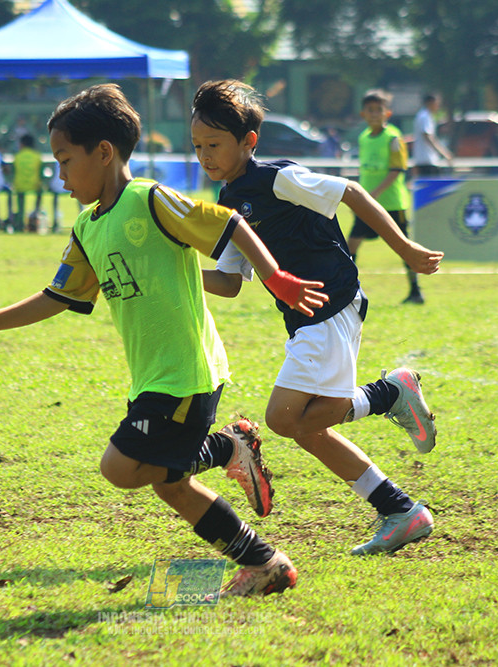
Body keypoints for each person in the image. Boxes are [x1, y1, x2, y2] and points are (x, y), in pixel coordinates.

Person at [0, 84, 328, 597]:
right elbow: (58, 296)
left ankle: (225, 450)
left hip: (186, 372)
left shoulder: (148, 200)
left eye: (64, 160)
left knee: (121, 468)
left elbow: (231, 223)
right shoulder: (87, 227)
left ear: (103, 153)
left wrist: (276, 277)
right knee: (168, 482)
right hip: (155, 375)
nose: (59, 175)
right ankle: (265, 563)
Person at [192, 79, 444, 556]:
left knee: (284, 419)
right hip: (305, 318)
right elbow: (228, 283)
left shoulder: (276, 179)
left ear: (249, 142)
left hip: (331, 302)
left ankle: (389, 394)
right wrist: (177, 270)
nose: (205, 155)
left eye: (215, 145)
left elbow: (350, 192)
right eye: (198, 146)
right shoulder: (227, 203)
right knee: (305, 427)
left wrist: (405, 249)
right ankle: (399, 509)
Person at [349, 89, 424, 304]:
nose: (374, 114)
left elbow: (397, 170)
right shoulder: (364, 138)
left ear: (387, 114)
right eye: (370, 110)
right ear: (363, 114)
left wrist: (374, 194)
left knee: (404, 248)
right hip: (367, 203)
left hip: (392, 204)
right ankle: (350, 290)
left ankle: (415, 291)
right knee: (350, 246)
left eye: (379, 110)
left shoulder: (393, 138)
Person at [412, 93, 452, 177]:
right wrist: (443, 153)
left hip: (425, 160)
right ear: (430, 103)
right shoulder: (425, 116)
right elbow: (428, 137)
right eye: (437, 103)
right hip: (426, 160)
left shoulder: (424, 115)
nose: (438, 106)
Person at [12, 133, 43, 233]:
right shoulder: (37, 156)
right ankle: (35, 214)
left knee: (20, 202)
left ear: (22, 144)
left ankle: (20, 223)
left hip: (20, 185)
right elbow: (41, 172)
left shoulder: (17, 156)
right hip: (34, 185)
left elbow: (14, 171)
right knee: (40, 193)